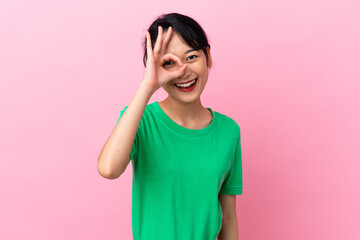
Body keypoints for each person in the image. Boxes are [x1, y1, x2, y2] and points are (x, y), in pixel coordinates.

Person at [97, 13, 243, 240]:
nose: (182, 70)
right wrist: (148, 86)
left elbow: (229, 216)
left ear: (208, 57)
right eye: (168, 63)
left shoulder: (229, 131)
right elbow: (108, 169)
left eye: (191, 56)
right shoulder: (141, 120)